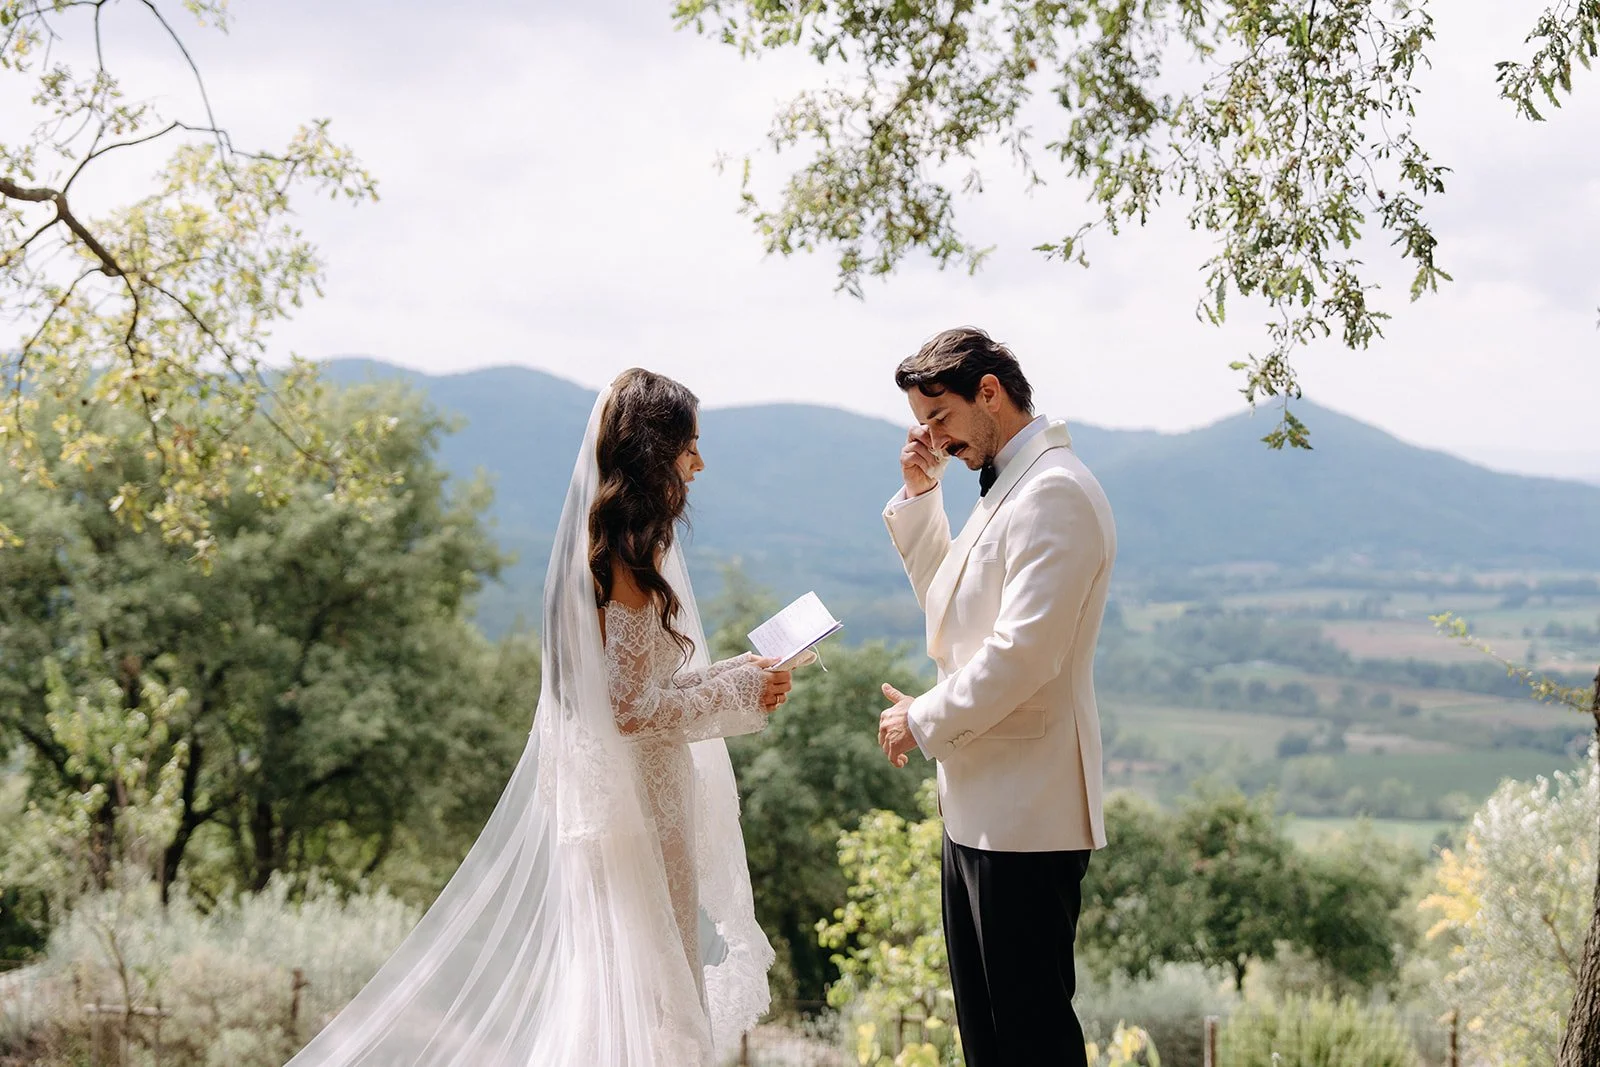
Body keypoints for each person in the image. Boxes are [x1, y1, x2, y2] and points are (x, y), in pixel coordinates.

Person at [286, 368, 789, 1066]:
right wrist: (740, 698)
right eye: (688, 447)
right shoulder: (631, 555)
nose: (698, 464)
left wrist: (742, 672)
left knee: (618, 992)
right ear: (653, 450)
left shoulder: (598, 544)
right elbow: (633, 710)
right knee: (655, 1003)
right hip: (641, 809)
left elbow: (634, 686)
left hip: (613, 807)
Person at [877, 327, 1117, 1067]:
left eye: (941, 417)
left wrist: (919, 717)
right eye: (922, 425)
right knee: (990, 1041)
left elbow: (1023, 655)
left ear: (990, 391)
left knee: (1031, 1039)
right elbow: (958, 617)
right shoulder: (1010, 485)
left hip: (1028, 816)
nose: (934, 438)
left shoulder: (1055, 491)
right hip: (978, 808)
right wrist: (923, 499)